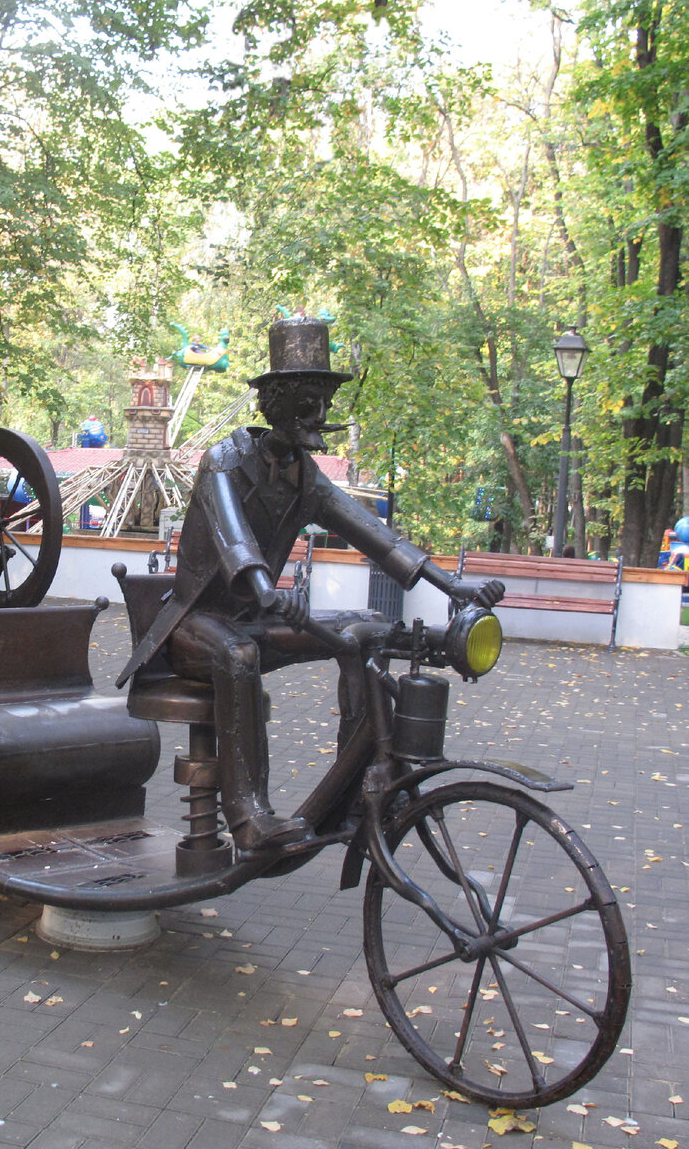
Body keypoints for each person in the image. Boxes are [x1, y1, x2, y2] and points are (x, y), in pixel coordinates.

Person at [117, 315, 504, 853]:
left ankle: (359, 790)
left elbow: (376, 537)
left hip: (257, 618)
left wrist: (452, 586)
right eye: (310, 402)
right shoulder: (223, 462)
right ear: (276, 402)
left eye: (325, 403)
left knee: (367, 629)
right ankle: (249, 816)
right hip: (194, 628)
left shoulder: (305, 475)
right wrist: (266, 592)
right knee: (238, 657)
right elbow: (235, 543)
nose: (322, 415)